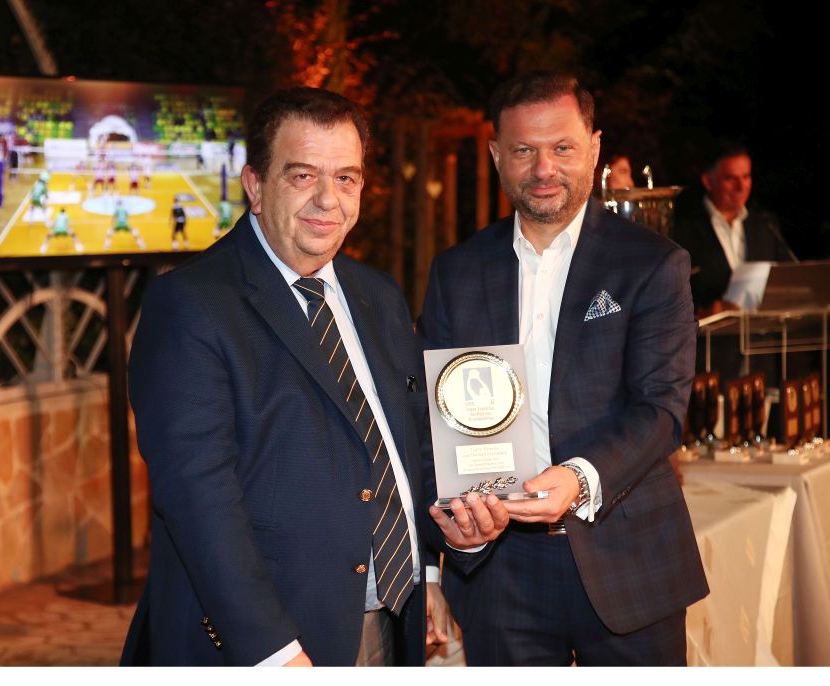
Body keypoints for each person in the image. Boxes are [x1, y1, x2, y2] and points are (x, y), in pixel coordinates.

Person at [121, 87, 474, 667]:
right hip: (271, 645)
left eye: (346, 178)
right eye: (303, 175)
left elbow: (408, 448)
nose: (327, 199)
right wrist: (274, 651)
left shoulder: (379, 295)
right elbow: (199, 501)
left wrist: (428, 569)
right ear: (256, 186)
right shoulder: (189, 305)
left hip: (392, 620)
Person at [418, 71, 708, 666]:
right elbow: (429, 419)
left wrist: (578, 478)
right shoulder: (456, 271)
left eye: (562, 148)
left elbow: (662, 409)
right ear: (497, 155)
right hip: (499, 570)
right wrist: (438, 550)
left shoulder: (652, 264)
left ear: (594, 149)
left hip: (628, 555)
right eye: (524, 150)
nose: (544, 169)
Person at [670, 144, 797, 316]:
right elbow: (672, 294)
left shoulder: (765, 224)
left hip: (764, 330)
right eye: (731, 179)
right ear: (708, 181)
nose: (741, 186)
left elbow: (791, 277)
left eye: (746, 177)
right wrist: (704, 312)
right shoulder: (683, 228)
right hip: (710, 332)